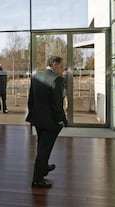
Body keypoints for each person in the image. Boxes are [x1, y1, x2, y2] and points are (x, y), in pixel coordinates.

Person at [26, 55, 68, 188]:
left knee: (41, 146)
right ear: (54, 65)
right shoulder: (57, 79)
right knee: (44, 150)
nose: (62, 70)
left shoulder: (36, 76)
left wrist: (32, 115)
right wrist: (62, 120)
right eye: (61, 67)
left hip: (38, 119)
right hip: (50, 122)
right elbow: (57, 104)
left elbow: (31, 100)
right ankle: (37, 180)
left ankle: (44, 168)